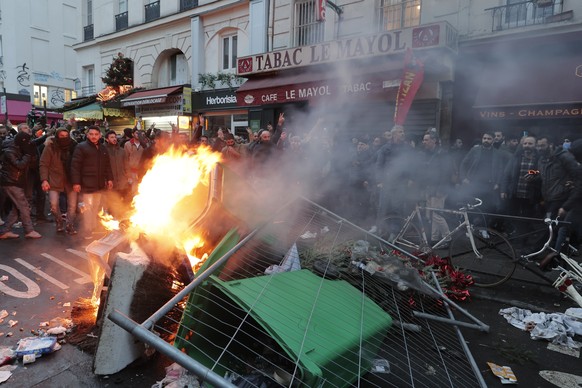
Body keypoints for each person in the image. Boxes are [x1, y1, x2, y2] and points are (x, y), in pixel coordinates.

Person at [70, 126, 113, 239]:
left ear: (100, 135)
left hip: (99, 185)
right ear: (87, 135)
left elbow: (107, 166)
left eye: (96, 134)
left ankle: (93, 228)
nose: (94, 136)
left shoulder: (103, 148)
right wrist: (76, 182)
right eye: (91, 134)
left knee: (95, 208)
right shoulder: (81, 147)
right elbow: (75, 166)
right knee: (87, 209)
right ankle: (87, 230)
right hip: (86, 184)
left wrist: (109, 179)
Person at [0, 126, 42, 239]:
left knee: (16, 208)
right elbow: (20, 165)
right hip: (11, 182)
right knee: (23, 206)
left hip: (15, 182)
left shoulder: (19, 149)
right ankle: (29, 230)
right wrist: (28, 154)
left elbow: (31, 163)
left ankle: (5, 231)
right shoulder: (10, 152)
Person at [39, 127, 78, 234]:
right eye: (62, 136)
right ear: (57, 136)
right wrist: (44, 180)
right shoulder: (51, 147)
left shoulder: (74, 146)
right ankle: (59, 221)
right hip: (55, 179)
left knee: (72, 206)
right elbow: (44, 164)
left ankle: (70, 225)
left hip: (71, 179)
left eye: (66, 136)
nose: (64, 138)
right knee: (54, 205)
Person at [460, 132, 505, 216]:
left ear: (493, 140)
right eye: (484, 138)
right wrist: (463, 178)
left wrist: (497, 183)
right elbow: (464, 163)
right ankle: (471, 227)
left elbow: (500, 169)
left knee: (486, 207)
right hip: (474, 183)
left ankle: (482, 227)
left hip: (489, 184)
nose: (486, 140)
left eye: (489, 139)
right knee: (472, 206)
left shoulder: (497, 153)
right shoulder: (475, 150)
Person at [103, 130, 129, 219]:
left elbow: (126, 165)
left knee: (122, 201)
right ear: (107, 139)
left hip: (122, 181)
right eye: (112, 137)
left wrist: (127, 177)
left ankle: (121, 220)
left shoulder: (121, 151)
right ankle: (112, 221)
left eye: (115, 137)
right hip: (110, 181)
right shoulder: (103, 150)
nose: (114, 139)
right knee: (111, 202)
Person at [124, 127, 145, 197]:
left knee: (143, 190)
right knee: (133, 191)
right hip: (132, 172)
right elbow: (125, 160)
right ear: (133, 134)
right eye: (137, 133)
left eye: (140, 133)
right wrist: (128, 175)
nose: (139, 135)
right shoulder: (127, 144)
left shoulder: (144, 145)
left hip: (142, 172)